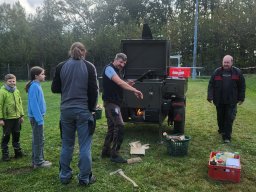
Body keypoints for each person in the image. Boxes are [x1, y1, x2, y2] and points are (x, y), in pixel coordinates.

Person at [51, 42, 98, 186]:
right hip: (84, 111)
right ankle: (84, 178)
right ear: (84, 52)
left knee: (67, 145)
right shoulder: (89, 67)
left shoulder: (61, 66)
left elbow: (54, 88)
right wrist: (92, 109)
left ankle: (64, 176)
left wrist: (68, 87)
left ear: (70, 51)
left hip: (66, 111)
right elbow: (94, 91)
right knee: (84, 146)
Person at [101, 53, 143, 163]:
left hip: (114, 103)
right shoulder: (109, 69)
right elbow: (119, 82)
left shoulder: (116, 71)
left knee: (111, 128)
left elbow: (118, 83)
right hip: (111, 103)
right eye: (121, 62)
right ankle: (114, 155)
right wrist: (135, 90)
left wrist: (127, 83)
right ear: (115, 60)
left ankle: (105, 151)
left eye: (124, 63)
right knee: (119, 126)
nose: (122, 64)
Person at [207, 55, 246, 143]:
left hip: (231, 101)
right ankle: (221, 130)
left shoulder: (237, 72)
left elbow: (242, 86)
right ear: (222, 62)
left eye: (228, 62)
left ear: (232, 62)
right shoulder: (217, 72)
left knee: (229, 118)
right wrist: (210, 96)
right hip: (219, 100)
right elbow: (211, 85)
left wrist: (241, 98)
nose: (226, 64)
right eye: (224, 62)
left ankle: (227, 137)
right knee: (220, 117)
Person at [25, 66, 52, 168]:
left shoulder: (36, 85)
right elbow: (34, 104)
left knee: (38, 139)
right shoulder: (34, 87)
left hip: (37, 117)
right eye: (42, 74)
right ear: (36, 76)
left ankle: (36, 160)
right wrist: (39, 119)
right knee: (39, 140)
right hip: (37, 118)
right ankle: (39, 162)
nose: (44, 76)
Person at [0, 74, 24, 161]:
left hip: (17, 118)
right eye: (10, 81)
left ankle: (18, 152)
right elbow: (0, 105)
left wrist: (21, 115)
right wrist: (1, 119)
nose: (12, 83)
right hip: (7, 119)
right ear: (6, 82)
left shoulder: (16, 91)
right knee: (6, 136)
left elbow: (20, 103)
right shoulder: (2, 92)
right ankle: (5, 155)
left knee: (16, 135)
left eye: (13, 81)